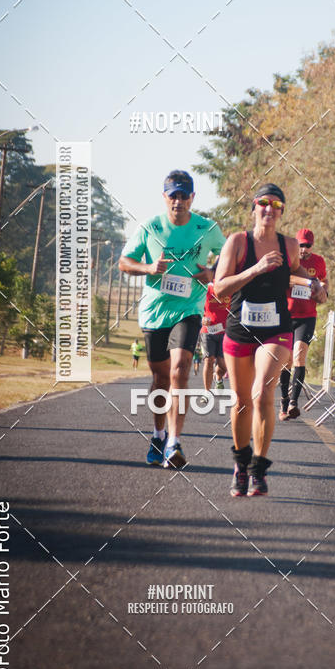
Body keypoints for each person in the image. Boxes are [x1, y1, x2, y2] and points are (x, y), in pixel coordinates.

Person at [214, 184, 320, 497]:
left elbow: (297, 273)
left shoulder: (288, 245)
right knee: (242, 401)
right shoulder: (237, 242)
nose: (269, 209)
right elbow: (220, 289)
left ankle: (259, 468)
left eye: (276, 204)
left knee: (263, 393)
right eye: (263, 203)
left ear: (282, 211)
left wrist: (315, 285)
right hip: (239, 330)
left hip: (276, 330)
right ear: (254, 208)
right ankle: (241, 463)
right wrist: (256, 269)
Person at [119, 170, 225, 468]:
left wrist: (213, 273)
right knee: (160, 379)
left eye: (184, 195)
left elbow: (230, 258)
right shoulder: (150, 227)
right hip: (154, 312)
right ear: (164, 197)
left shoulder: (207, 228)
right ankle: (158, 434)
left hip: (189, 310)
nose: (178, 201)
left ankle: (174, 443)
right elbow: (124, 263)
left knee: (180, 370)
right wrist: (149, 268)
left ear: (193, 198)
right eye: (173, 195)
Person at [279, 228, 328, 421]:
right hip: (286, 315)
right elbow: (283, 279)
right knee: (286, 360)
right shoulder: (289, 260)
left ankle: (293, 403)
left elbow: (324, 283)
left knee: (299, 355)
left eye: (307, 246)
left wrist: (322, 292)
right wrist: (308, 283)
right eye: (301, 245)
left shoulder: (318, 261)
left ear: (312, 246)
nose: (304, 249)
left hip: (307, 316)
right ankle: (283, 402)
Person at [200, 273, 230, 391]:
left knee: (223, 365)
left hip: (225, 331)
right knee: (208, 360)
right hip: (208, 330)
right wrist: (201, 317)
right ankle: (207, 391)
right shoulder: (206, 289)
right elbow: (197, 304)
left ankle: (218, 377)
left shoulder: (230, 288)